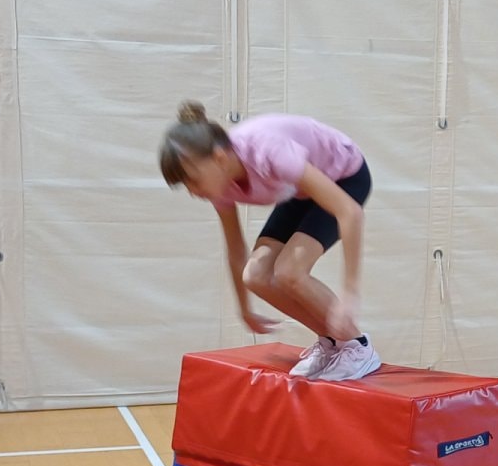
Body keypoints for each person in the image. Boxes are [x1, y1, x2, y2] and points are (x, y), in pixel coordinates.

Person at [158, 102, 381, 382]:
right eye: (185, 185)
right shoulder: (219, 187)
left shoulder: (267, 151)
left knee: (289, 271)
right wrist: (244, 309)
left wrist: (350, 293)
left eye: (193, 180)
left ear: (219, 158)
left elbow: (350, 212)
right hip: (300, 190)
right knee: (255, 275)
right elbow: (236, 249)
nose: (193, 192)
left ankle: (358, 347)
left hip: (344, 177)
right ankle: (332, 342)